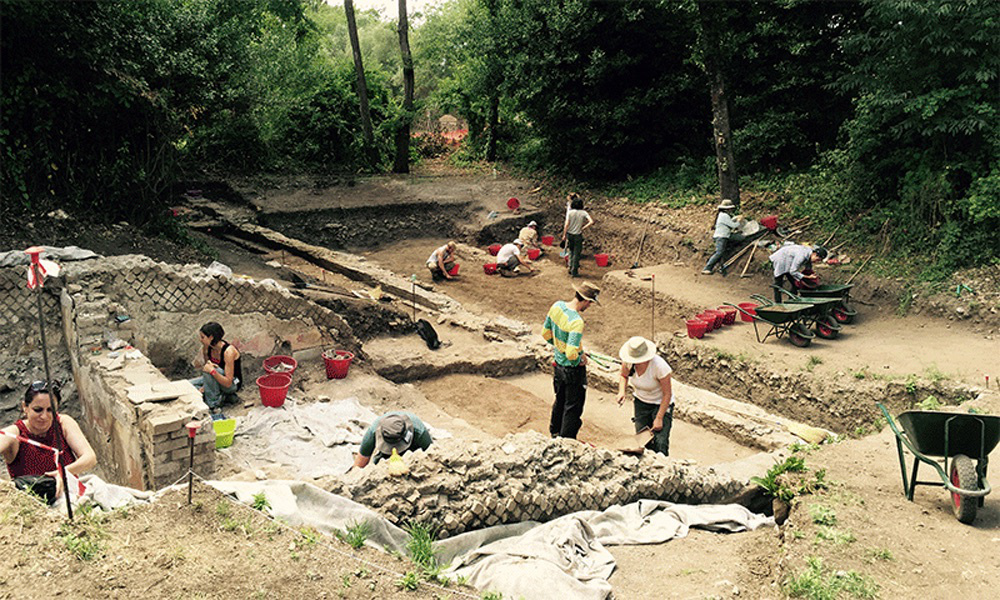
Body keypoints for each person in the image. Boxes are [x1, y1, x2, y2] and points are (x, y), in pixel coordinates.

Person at [2, 382, 97, 502]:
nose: (44, 416)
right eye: (38, 410)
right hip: (32, 503)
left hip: (69, 495)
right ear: (25, 407)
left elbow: (90, 458)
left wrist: (62, 472)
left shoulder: (63, 423)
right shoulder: (15, 434)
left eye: (50, 410)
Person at [542, 282, 600, 439]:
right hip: (572, 370)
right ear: (587, 301)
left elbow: (546, 333)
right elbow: (571, 353)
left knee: (559, 400)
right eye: (590, 303)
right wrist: (580, 359)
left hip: (558, 366)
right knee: (573, 407)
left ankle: (554, 432)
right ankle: (566, 440)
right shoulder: (576, 321)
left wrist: (559, 346)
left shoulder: (557, 306)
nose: (589, 307)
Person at [615, 336, 674, 456]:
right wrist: (622, 391)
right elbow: (623, 376)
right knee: (643, 439)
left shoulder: (660, 367)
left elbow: (667, 394)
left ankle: (662, 468)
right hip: (641, 401)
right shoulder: (629, 363)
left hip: (660, 403)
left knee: (660, 442)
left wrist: (659, 417)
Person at [190, 322, 243, 409]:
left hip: (232, 383)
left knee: (210, 369)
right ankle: (225, 397)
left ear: (211, 337)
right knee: (189, 385)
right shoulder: (207, 347)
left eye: (203, 337)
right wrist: (206, 385)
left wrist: (212, 371)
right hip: (216, 378)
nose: (200, 340)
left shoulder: (228, 352)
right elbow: (208, 367)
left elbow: (228, 383)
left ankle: (213, 405)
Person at [353, 411, 433, 468]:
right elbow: (360, 463)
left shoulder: (419, 431)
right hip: (386, 454)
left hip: (412, 447)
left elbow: (432, 456)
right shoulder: (373, 432)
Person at [702, 199, 746, 275]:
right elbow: (733, 225)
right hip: (721, 237)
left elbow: (729, 222)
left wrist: (735, 218)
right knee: (719, 252)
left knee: (740, 238)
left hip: (725, 236)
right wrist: (739, 221)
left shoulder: (723, 215)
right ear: (727, 209)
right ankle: (707, 267)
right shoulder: (724, 216)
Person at [561, 194, 594, 278]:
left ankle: (570, 267)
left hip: (570, 234)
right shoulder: (583, 212)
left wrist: (564, 235)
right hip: (578, 235)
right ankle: (574, 271)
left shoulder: (570, 212)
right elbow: (591, 221)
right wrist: (583, 227)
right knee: (577, 253)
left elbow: (566, 225)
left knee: (571, 251)